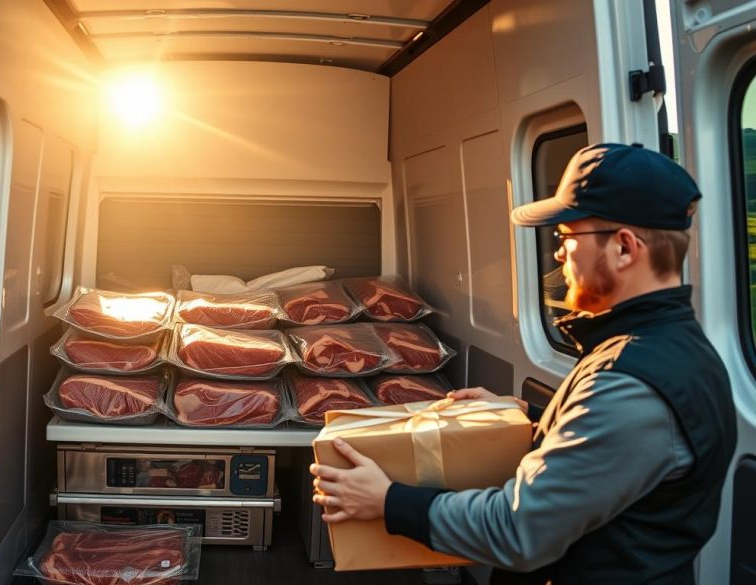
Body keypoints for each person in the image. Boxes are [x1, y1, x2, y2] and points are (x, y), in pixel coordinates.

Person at [310, 143, 737, 584]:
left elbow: (519, 531)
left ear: (624, 248)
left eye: (566, 237)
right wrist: (523, 415)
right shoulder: (669, 349)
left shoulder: (631, 382)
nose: (558, 254)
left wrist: (388, 501)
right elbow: (609, 445)